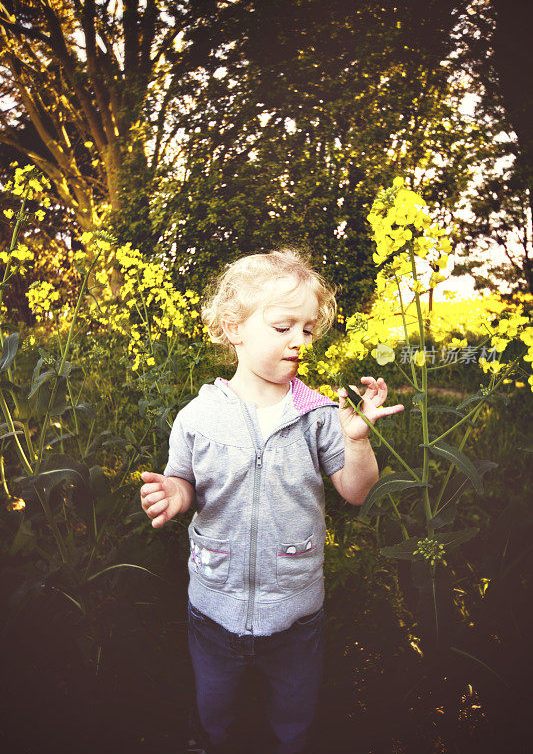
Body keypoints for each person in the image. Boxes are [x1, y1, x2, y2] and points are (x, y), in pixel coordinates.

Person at [140, 248, 404, 754]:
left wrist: (358, 439)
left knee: (295, 715)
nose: (299, 342)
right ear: (233, 327)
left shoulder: (319, 413)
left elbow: (356, 489)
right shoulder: (198, 416)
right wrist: (177, 492)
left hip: (296, 611)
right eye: (283, 327)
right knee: (215, 708)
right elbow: (185, 480)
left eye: (307, 330)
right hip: (215, 604)